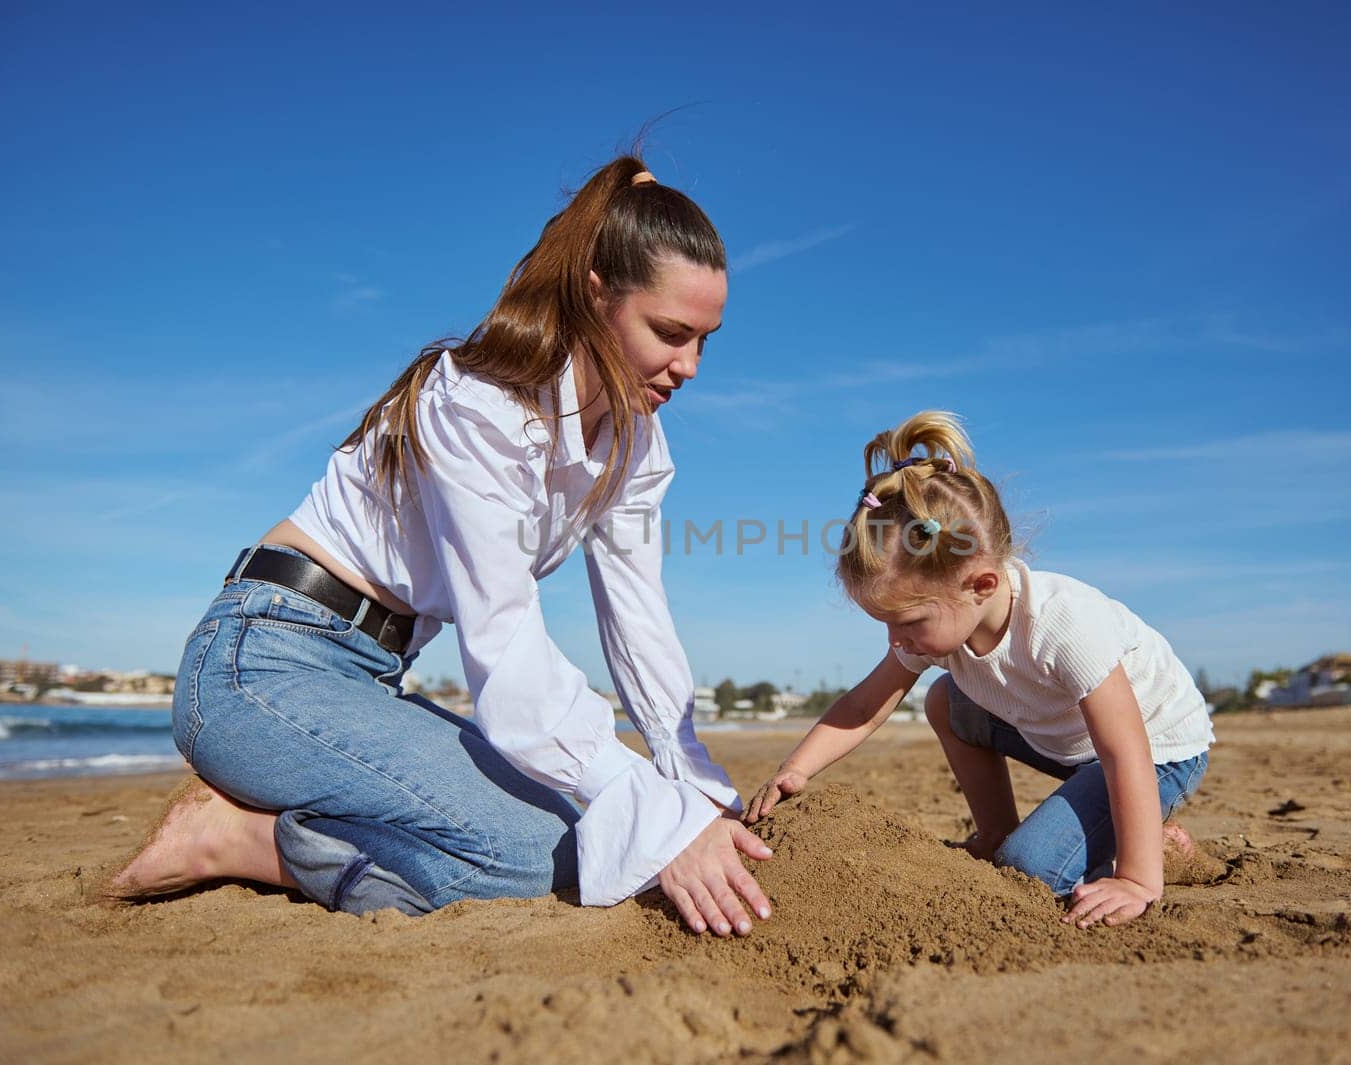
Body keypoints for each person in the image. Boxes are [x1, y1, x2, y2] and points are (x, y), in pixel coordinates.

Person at [101, 153, 773, 937]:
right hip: (259, 663)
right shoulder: (481, 409)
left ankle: (283, 805)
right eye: (671, 333)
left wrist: (692, 784)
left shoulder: (634, 441)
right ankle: (237, 837)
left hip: (370, 679)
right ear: (597, 295)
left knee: (573, 828)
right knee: (536, 858)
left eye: (706, 340)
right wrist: (656, 812)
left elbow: (639, 618)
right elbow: (507, 656)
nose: (690, 366)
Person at [745, 411, 1213, 929]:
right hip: (1070, 742)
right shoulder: (945, 622)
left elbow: (1125, 751)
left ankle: (1158, 850)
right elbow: (862, 706)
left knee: (1030, 869)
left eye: (909, 622)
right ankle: (995, 830)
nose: (897, 640)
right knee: (946, 701)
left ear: (981, 585)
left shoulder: (1063, 625)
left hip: (1157, 752)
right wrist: (797, 768)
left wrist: (1138, 878)